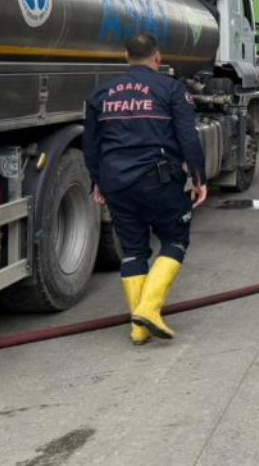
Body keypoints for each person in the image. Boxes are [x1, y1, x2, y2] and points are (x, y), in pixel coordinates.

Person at [83, 33, 208, 344]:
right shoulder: (171, 89)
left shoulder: (100, 93)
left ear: (126, 56)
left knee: (133, 250)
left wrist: (97, 180)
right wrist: (199, 178)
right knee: (175, 239)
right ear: (158, 57)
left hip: (115, 181)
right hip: (158, 180)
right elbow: (188, 137)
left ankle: (138, 329)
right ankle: (149, 310)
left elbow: (91, 145)